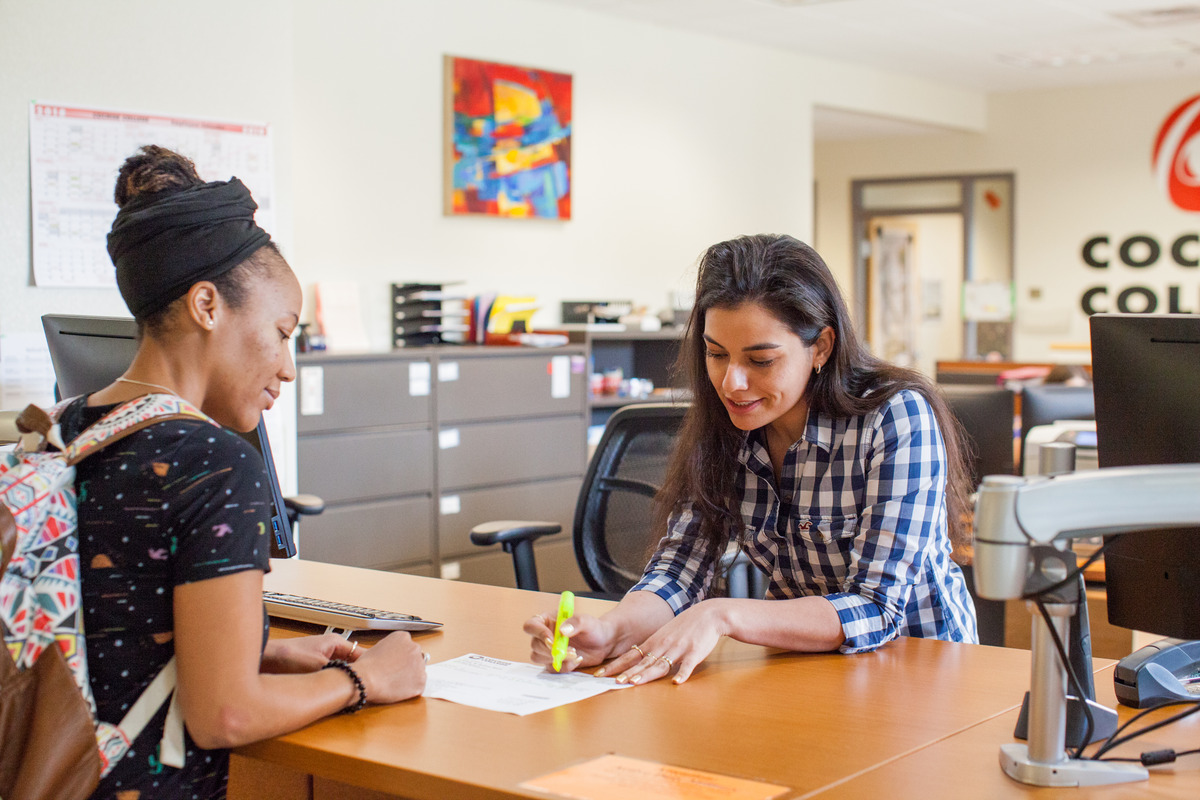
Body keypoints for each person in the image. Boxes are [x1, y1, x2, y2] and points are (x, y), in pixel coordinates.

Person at [61, 145, 426, 800]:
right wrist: (367, 680)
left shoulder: (57, 431)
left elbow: (107, 628)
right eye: (283, 332)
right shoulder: (214, 460)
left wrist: (259, 654)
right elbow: (225, 714)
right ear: (206, 305)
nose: (287, 366)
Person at [526, 234, 978, 685]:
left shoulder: (895, 417)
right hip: (808, 670)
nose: (732, 383)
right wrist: (612, 631)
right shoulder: (726, 423)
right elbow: (679, 570)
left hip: (923, 669)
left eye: (760, 360)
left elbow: (878, 607)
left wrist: (724, 615)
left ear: (820, 347)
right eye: (715, 354)